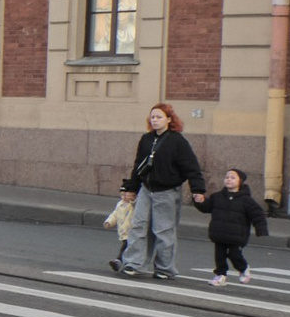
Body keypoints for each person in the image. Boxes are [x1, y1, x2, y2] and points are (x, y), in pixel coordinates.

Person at [114, 102, 209, 280]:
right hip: (146, 189)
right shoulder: (146, 139)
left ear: (169, 119)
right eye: (152, 117)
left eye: (159, 117)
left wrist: (198, 189)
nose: (155, 120)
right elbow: (139, 166)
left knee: (163, 231)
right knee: (138, 226)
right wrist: (131, 187)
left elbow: (191, 166)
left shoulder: (177, 141)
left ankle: (165, 268)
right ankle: (134, 264)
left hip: (167, 191)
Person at [200, 167, 269, 285]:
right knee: (219, 256)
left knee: (234, 255)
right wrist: (200, 201)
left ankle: (243, 268)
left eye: (233, 178)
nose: (229, 180)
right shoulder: (217, 196)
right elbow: (207, 207)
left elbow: (258, 215)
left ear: (240, 181)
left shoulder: (246, 200)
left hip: (237, 235)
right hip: (220, 233)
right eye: (227, 177)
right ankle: (220, 275)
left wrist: (261, 230)